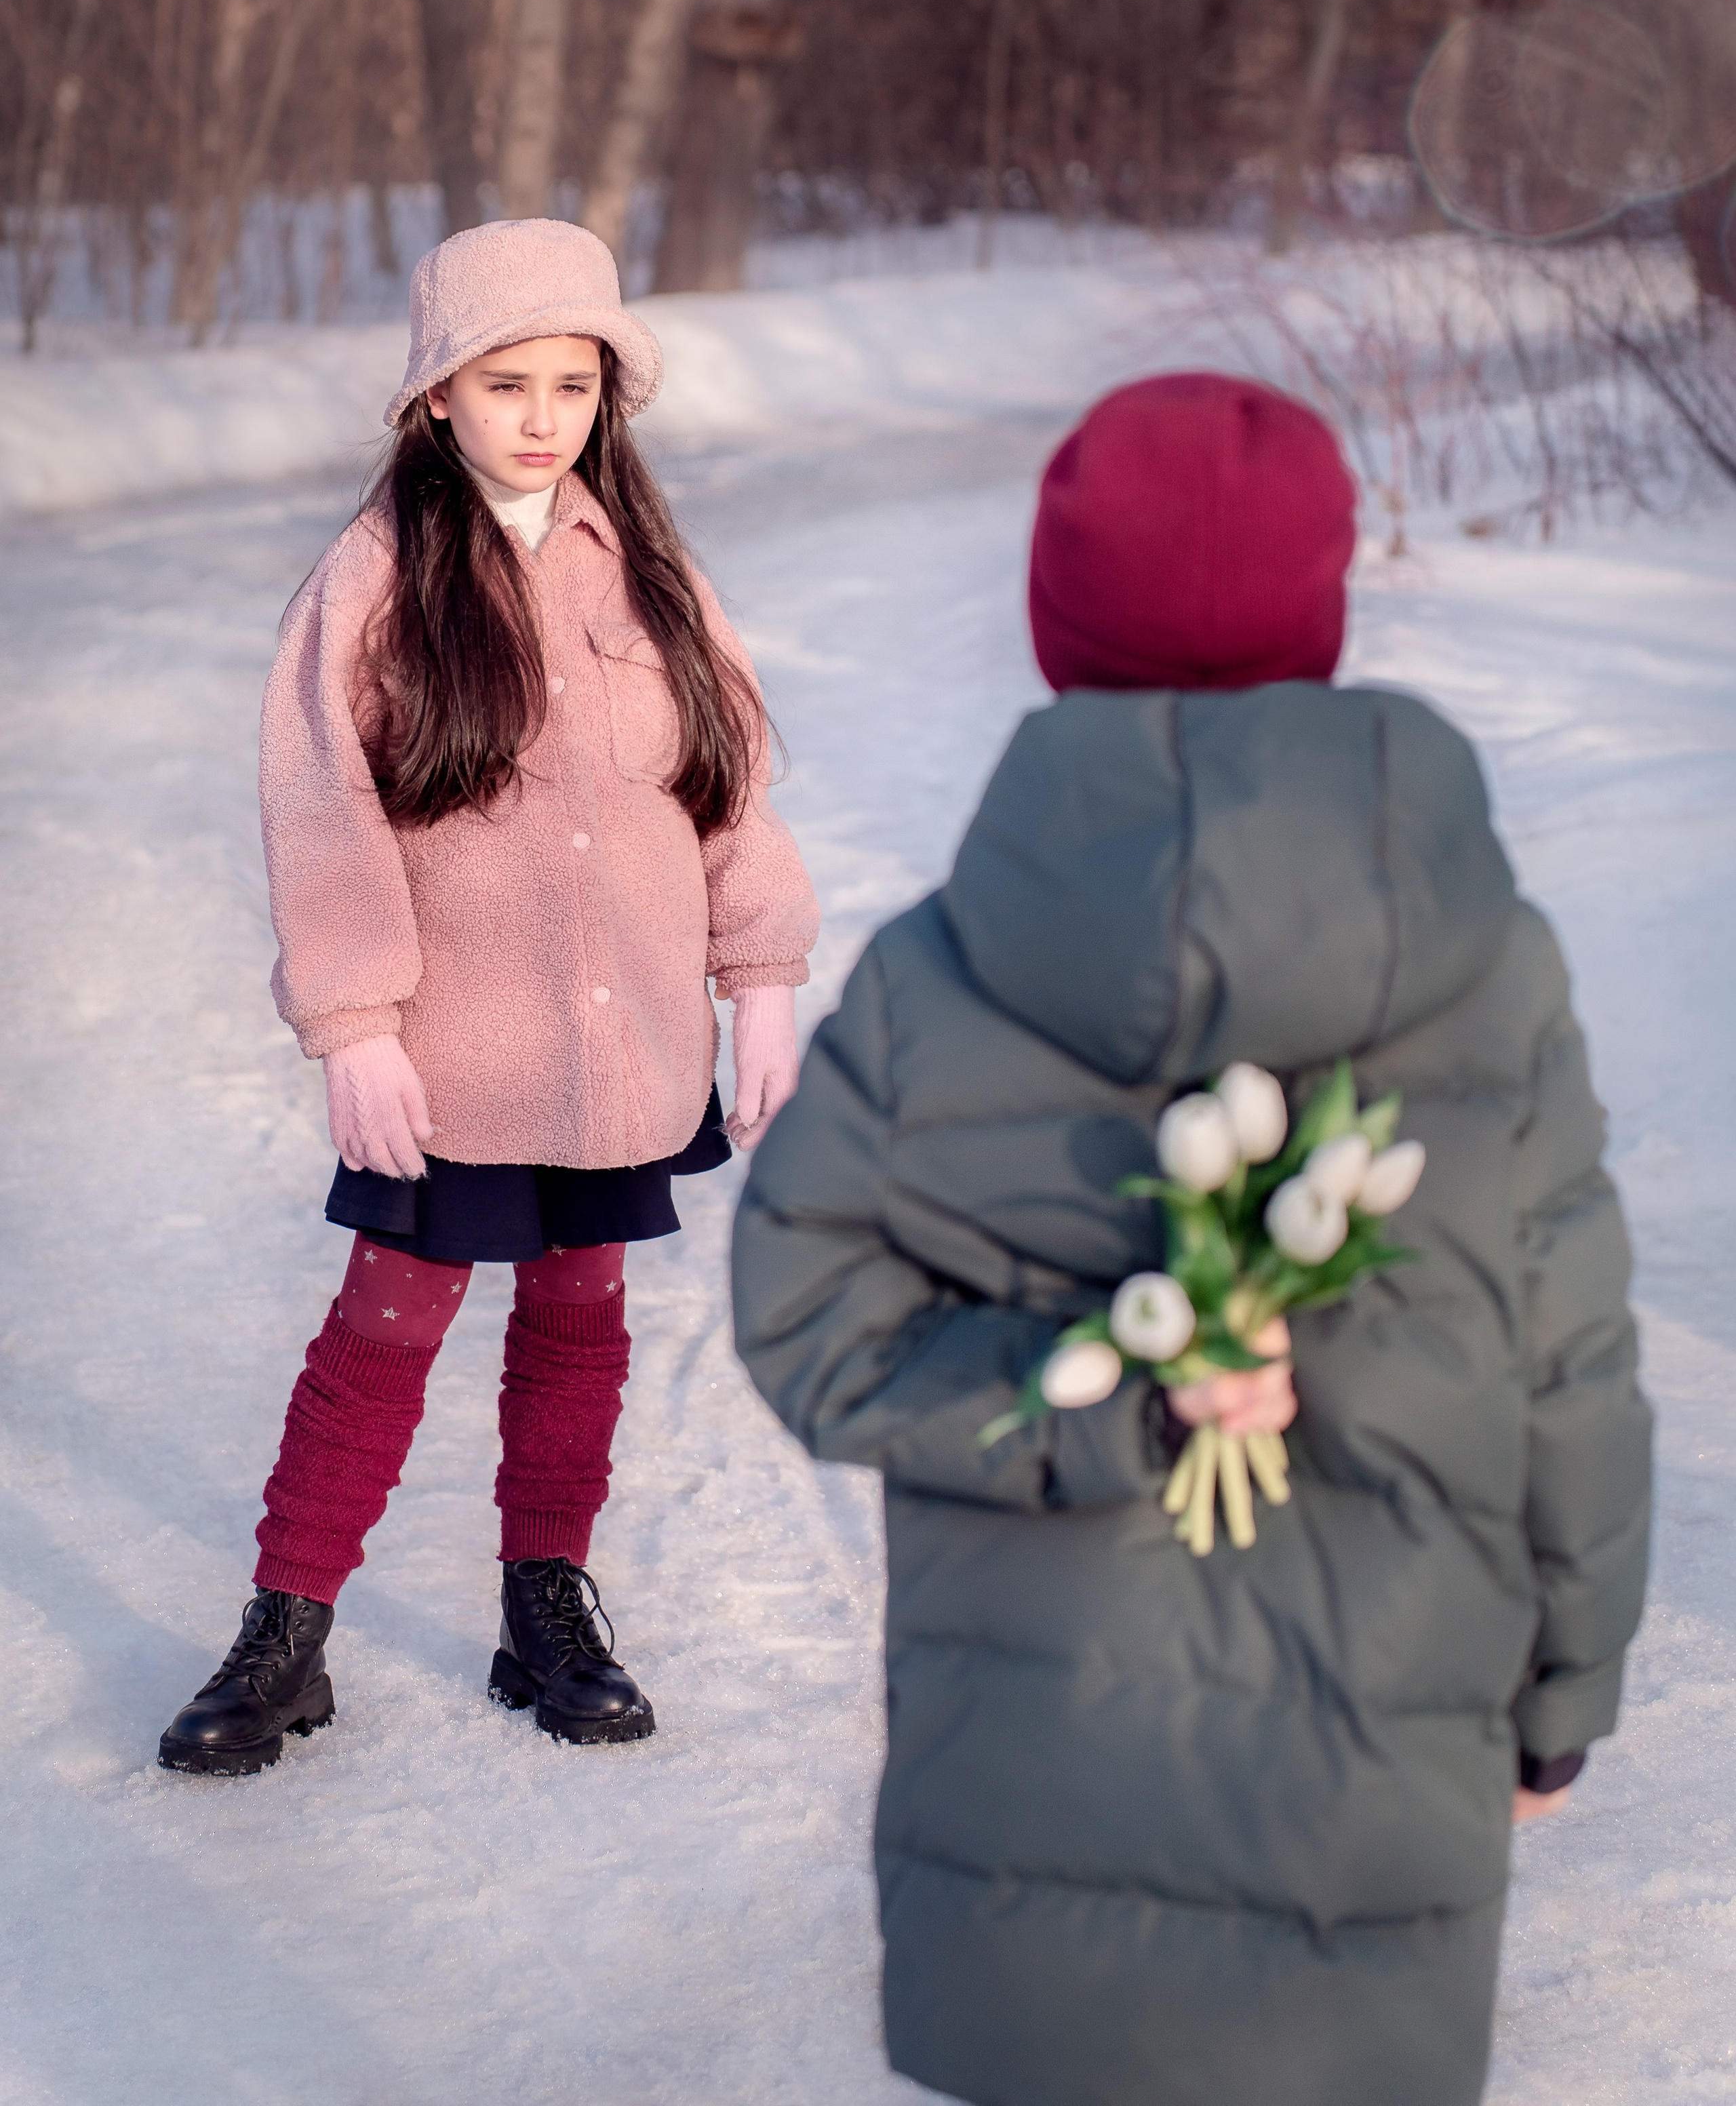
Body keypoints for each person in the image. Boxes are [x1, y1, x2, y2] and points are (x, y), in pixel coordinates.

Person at [731, 372, 1651, 2106]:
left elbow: (808, 1312)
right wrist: (1560, 1691)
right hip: (1374, 1762)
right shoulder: (1491, 970)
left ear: (1054, 624)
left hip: (1037, 1765)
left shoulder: (940, 977)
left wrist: (1094, 1400)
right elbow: (1573, 1367)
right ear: (1323, 612)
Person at [161, 218, 818, 1778]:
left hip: (629, 1049)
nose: (541, 414)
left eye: (572, 383)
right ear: (436, 397)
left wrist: (765, 981)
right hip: (458, 1056)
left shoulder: (646, 572)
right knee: (386, 1326)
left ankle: (546, 1606)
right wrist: (356, 1025)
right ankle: (286, 1631)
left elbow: (729, 788)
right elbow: (321, 814)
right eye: (504, 380)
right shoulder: (373, 584)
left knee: (579, 1314)